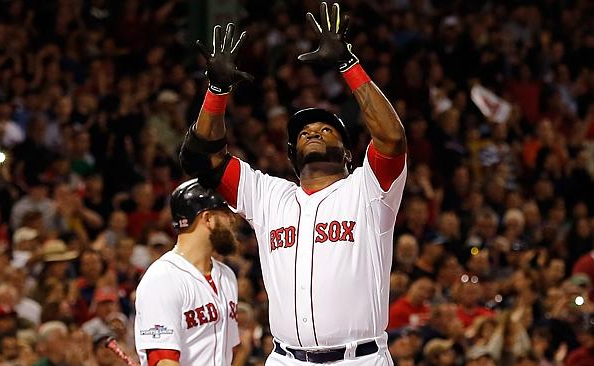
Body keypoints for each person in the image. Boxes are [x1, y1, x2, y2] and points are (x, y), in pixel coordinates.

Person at [180, 2, 407, 365]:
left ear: (349, 153)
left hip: (359, 358)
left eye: (326, 130)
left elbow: (393, 139)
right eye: (305, 133)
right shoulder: (268, 195)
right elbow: (200, 159)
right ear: (291, 153)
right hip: (286, 359)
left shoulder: (369, 190)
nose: (314, 133)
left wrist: (349, 65)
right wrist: (217, 91)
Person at [134, 179, 241, 366]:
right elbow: (163, 361)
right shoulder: (162, 279)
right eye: (225, 213)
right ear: (207, 218)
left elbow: (228, 353)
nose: (232, 219)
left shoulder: (227, 276)